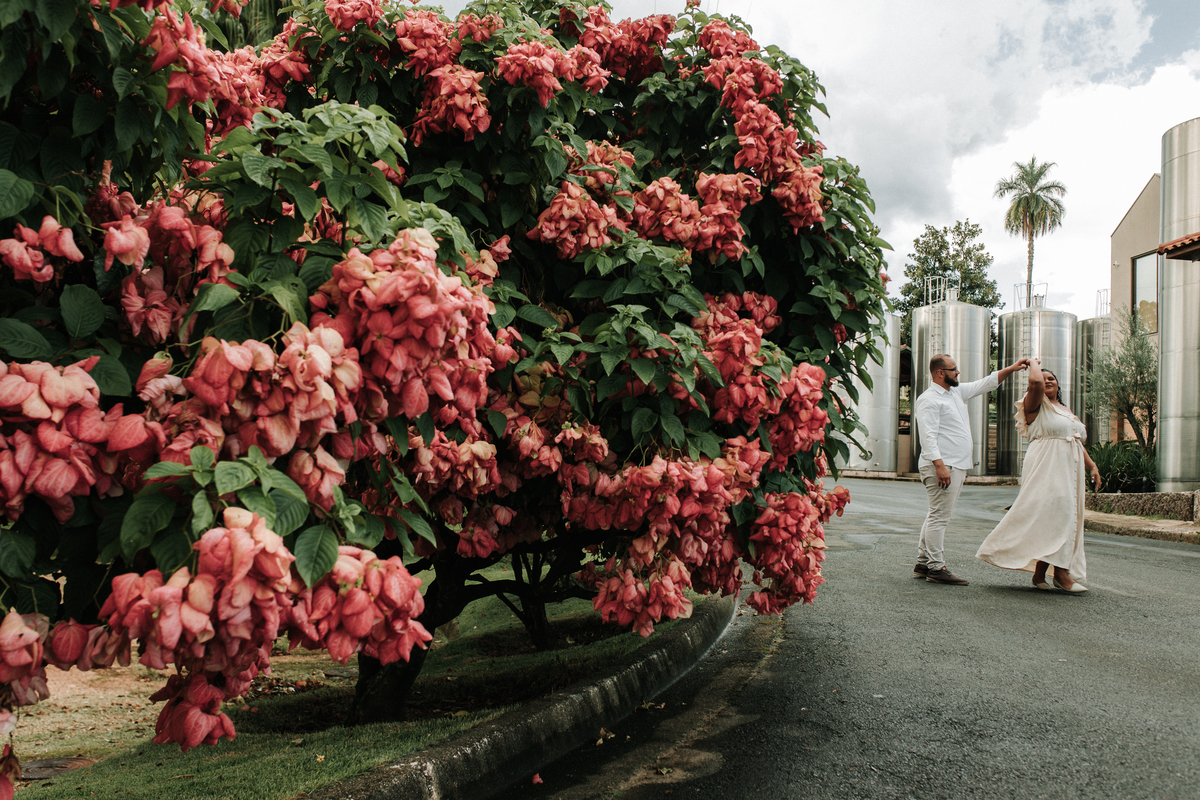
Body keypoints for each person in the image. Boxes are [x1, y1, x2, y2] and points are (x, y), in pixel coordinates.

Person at [975, 359, 1100, 593]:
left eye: (1051, 377)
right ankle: (1061, 574)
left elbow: (1074, 439)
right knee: (1056, 513)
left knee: (1058, 515)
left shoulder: (1065, 411)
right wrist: (1034, 363)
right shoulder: (1034, 404)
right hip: (1047, 464)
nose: (1047, 380)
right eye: (1044, 378)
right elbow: (1034, 382)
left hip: (1069, 469)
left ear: (1058, 385)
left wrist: (1091, 465)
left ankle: (1041, 573)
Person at [913, 353, 1030, 585]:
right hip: (944, 465)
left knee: (935, 514)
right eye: (953, 369)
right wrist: (939, 466)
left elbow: (985, 383)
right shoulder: (928, 399)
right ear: (940, 373)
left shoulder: (954, 392)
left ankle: (923, 562)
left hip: (953, 463)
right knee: (939, 517)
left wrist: (1012, 368)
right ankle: (936, 567)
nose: (958, 373)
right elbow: (927, 437)